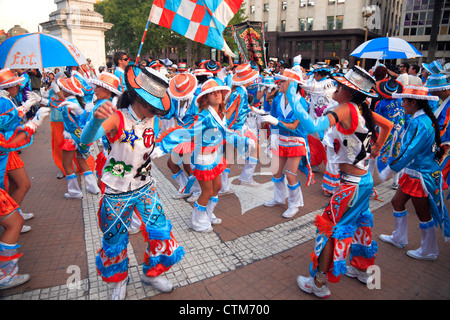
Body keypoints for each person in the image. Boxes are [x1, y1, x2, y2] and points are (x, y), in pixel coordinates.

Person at [80, 65, 185, 300]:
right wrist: (95, 122)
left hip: (145, 187)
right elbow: (85, 141)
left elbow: (149, 147)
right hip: (116, 191)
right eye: (152, 106)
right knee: (115, 241)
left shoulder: (154, 120)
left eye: (158, 107)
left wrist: (167, 143)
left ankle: (152, 273)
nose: (156, 111)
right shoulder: (116, 117)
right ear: (139, 99)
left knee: (160, 233)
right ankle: (119, 281)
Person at [292, 65, 393, 298]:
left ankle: (319, 283)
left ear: (349, 92)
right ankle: (361, 269)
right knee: (359, 223)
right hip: (363, 181)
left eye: (340, 86)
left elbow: (313, 126)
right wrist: (377, 147)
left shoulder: (347, 108)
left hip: (351, 185)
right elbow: (388, 126)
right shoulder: (360, 108)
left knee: (327, 228)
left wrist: (292, 99)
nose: (335, 89)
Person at [154, 79, 256, 232]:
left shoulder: (220, 114)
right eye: (212, 93)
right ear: (205, 98)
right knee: (207, 191)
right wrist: (162, 146)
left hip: (214, 156)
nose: (217, 95)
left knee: (218, 187)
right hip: (203, 158)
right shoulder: (204, 116)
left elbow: (227, 134)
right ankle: (197, 221)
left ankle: (208, 214)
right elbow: (188, 133)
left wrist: (245, 141)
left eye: (218, 92)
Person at [378, 84, 450, 260]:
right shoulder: (424, 119)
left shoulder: (419, 123)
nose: (402, 105)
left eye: (404, 101)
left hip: (422, 174)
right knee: (397, 202)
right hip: (415, 172)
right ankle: (399, 237)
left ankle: (430, 250)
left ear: (413, 102)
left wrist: (389, 167)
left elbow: (409, 150)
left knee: (423, 213)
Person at [0, 68, 50, 290]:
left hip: (6, 155)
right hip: (5, 153)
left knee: (22, 186)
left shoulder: (6, 99)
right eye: (15, 83)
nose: (19, 86)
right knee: (14, 223)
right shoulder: (3, 102)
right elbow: (7, 136)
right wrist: (32, 120)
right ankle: (6, 275)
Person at [260, 69, 314, 218]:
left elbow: (294, 125)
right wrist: (263, 119)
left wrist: (275, 121)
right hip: (281, 140)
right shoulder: (277, 99)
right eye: (280, 80)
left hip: (296, 141)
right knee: (276, 172)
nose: (279, 83)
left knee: (290, 175)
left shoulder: (301, 101)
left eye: (283, 81)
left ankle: (294, 204)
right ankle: (278, 199)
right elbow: (272, 119)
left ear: (292, 84)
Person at [56, 75, 100, 199]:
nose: (61, 88)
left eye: (63, 87)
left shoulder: (71, 102)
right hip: (79, 138)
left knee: (67, 164)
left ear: (67, 90)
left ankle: (74, 192)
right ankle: (93, 187)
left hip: (71, 137)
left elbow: (82, 119)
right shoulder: (75, 100)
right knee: (81, 161)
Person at [372, 78, 406, 190]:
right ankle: (395, 182)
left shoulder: (381, 104)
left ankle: (371, 182)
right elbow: (407, 117)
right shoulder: (403, 101)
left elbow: (376, 120)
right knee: (397, 154)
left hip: (385, 133)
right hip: (400, 132)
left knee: (377, 155)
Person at [426, 73, 450, 189]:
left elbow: (443, 129)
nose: (432, 92)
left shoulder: (448, 105)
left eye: (434, 90)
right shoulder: (443, 101)